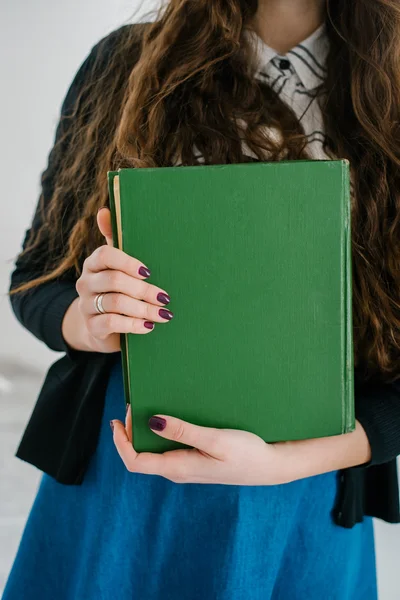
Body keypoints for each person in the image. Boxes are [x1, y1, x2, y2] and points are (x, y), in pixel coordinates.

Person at [3, 0, 400, 598]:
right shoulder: (128, 62)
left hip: (309, 482)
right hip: (128, 468)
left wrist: (290, 464)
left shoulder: (393, 83)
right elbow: (38, 274)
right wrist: (86, 320)